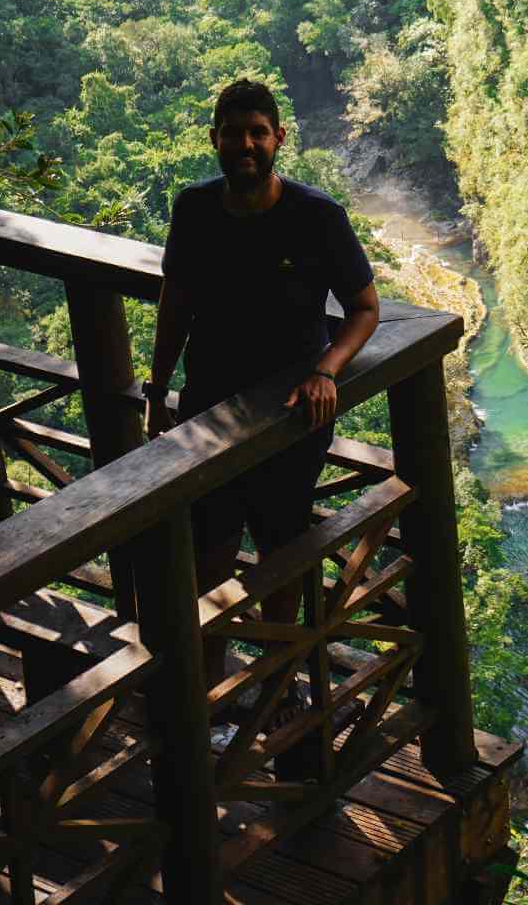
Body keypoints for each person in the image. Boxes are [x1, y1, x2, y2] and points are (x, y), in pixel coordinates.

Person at [141, 77, 379, 728]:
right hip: (208, 418)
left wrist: (328, 369)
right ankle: (209, 699)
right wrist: (157, 391)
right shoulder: (193, 210)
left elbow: (364, 309)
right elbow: (177, 308)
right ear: (214, 139)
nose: (245, 144)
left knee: (281, 554)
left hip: (288, 420)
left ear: (278, 139)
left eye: (257, 133)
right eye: (233, 133)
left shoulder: (315, 217)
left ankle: (277, 689)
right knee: (209, 560)